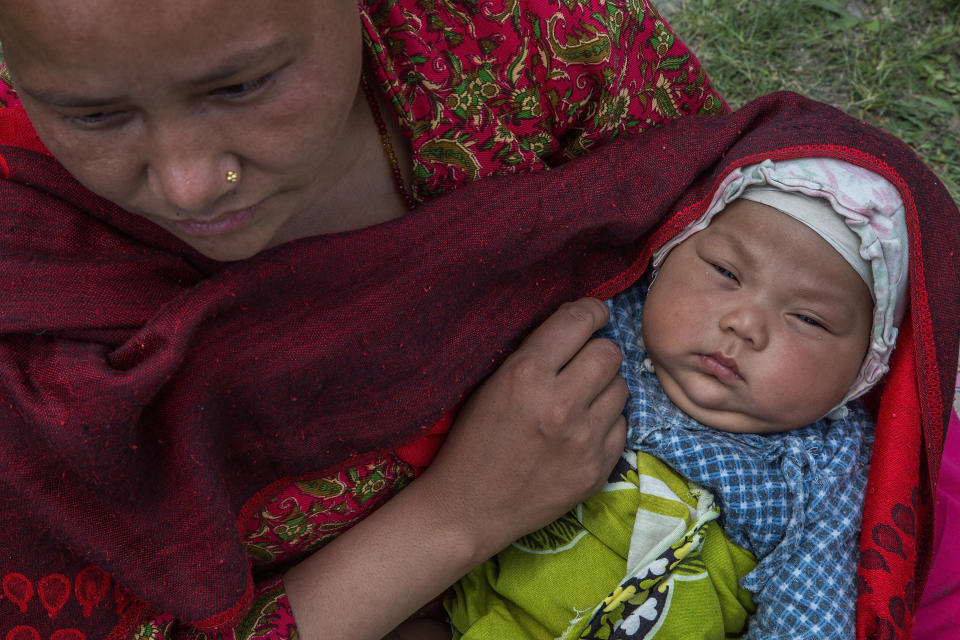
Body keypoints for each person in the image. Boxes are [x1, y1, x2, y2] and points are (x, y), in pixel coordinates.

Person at [0, 6, 955, 637]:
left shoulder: (531, 48)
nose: (190, 181)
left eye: (243, 86)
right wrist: (457, 519)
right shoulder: (26, 273)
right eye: (91, 115)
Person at [441, 157, 909, 639]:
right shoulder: (598, 324)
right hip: (465, 608)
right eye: (726, 272)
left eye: (809, 318)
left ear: (864, 372)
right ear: (665, 259)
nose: (744, 324)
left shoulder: (833, 468)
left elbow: (811, 614)